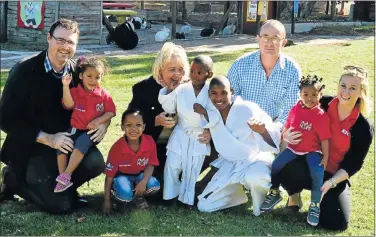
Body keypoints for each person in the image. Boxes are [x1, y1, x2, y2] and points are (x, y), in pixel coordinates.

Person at [0, 18, 108, 214]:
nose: (65, 47)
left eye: (70, 43)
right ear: (49, 38)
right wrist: (48, 138)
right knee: (62, 206)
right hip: (33, 146)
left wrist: (103, 124)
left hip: (67, 144)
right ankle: (12, 180)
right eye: (60, 40)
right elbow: (5, 119)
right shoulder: (24, 70)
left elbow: (98, 103)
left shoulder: (79, 74)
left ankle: (62, 189)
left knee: (95, 163)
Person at [279, 66, 373, 230]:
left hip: (331, 176)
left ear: (361, 92)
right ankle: (294, 196)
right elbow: (295, 118)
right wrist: (285, 135)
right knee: (286, 164)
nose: (346, 91)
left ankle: (320, 201)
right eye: (343, 86)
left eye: (353, 88)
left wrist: (330, 183)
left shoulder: (363, 127)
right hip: (308, 165)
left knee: (336, 223)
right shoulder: (321, 103)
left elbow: (354, 164)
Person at [127, 42, 212, 196]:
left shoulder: (193, 88)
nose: (177, 75)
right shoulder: (143, 88)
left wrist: (208, 132)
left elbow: (211, 113)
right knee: (157, 190)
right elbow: (128, 120)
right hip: (154, 150)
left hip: (187, 144)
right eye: (172, 70)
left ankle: (196, 186)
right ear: (160, 70)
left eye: (181, 70)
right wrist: (154, 120)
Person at [196, 76, 281, 216]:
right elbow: (214, 127)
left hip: (255, 160)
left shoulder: (247, 108)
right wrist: (208, 134)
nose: (219, 98)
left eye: (223, 93)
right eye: (214, 93)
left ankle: (263, 198)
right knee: (204, 205)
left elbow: (273, 138)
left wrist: (262, 130)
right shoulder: (211, 111)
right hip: (230, 165)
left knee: (255, 178)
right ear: (209, 94)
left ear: (232, 92)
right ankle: (238, 193)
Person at [260, 75, 331, 226]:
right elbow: (287, 126)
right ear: (300, 94)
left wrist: (325, 158)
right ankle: (274, 191)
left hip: (312, 151)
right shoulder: (295, 108)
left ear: (320, 95)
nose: (310, 98)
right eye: (306, 94)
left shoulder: (321, 116)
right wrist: (284, 135)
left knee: (317, 172)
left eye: (314, 95)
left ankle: (315, 205)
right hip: (293, 149)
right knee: (276, 164)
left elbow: (325, 139)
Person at [159, 55, 218, 206]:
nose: (194, 75)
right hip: (181, 133)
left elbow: (217, 114)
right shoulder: (182, 89)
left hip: (199, 135)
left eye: (199, 72)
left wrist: (204, 112)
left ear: (209, 74)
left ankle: (186, 199)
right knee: (172, 165)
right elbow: (169, 108)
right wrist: (170, 91)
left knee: (192, 169)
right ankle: (170, 196)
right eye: (191, 71)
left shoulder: (212, 92)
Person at [55, 56, 116, 193]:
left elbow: (111, 112)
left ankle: (68, 174)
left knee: (81, 144)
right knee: (62, 146)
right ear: (81, 76)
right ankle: (62, 177)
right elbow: (68, 104)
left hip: (89, 132)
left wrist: (98, 121)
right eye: (89, 76)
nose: (93, 80)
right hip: (74, 129)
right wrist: (65, 86)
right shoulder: (75, 92)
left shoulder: (103, 95)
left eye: (98, 77)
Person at [227, 19, 301, 128]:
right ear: (258, 39)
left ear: (284, 42)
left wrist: (273, 131)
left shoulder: (292, 70)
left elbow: (291, 109)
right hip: (243, 127)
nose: (269, 43)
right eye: (265, 37)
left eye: (275, 38)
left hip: (276, 128)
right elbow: (229, 101)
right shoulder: (239, 65)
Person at [103, 109, 160, 214]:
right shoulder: (117, 148)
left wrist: (143, 182)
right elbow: (109, 176)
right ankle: (119, 200)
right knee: (124, 192)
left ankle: (138, 198)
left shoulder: (149, 141)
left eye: (138, 125)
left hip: (139, 176)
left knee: (153, 185)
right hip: (121, 176)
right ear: (122, 127)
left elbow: (151, 164)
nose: (134, 129)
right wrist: (107, 202)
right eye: (129, 125)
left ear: (143, 127)